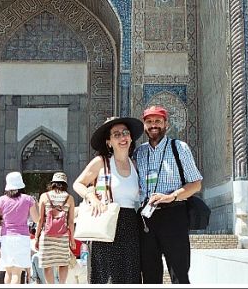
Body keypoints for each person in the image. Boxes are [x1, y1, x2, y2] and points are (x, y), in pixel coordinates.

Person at [135, 105, 203, 284]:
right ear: (144, 125)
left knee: (179, 274)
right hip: (146, 218)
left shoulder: (179, 148)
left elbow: (196, 184)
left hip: (173, 215)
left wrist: (171, 196)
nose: (153, 125)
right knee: (149, 274)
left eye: (158, 121)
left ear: (166, 124)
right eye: (149, 121)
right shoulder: (139, 152)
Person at [73, 116, 143, 283]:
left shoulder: (135, 165)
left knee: (130, 275)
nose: (122, 137)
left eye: (125, 133)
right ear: (109, 142)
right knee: (108, 277)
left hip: (130, 225)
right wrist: (91, 196)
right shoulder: (101, 162)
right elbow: (78, 184)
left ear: (131, 138)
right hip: (106, 223)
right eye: (116, 134)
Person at [0, 172, 39, 284]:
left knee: (8, 271)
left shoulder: (1, 200)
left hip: (6, 237)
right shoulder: (28, 199)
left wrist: (3, 222)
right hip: (22, 237)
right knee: (17, 272)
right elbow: (36, 219)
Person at [35, 172, 75, 284]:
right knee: (63, 263)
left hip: (47, 236)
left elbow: (40, 220)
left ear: (53, 183)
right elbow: (71, 221)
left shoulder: (44, 196)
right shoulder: (69, 198)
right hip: (63, 236)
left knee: (47, 264)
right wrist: (72, 240)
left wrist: (37, 237)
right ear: (65, 184)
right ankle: (61, 285)